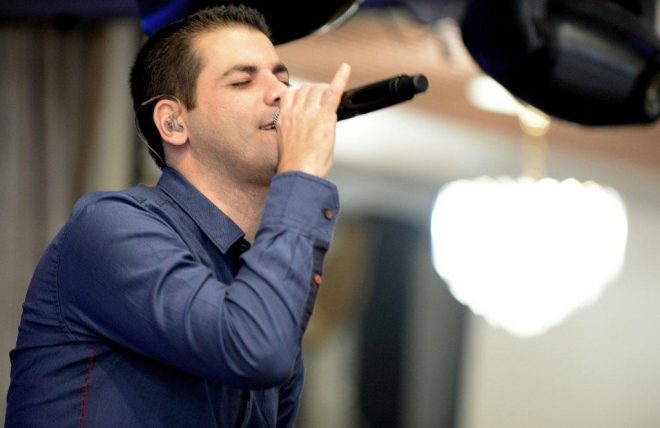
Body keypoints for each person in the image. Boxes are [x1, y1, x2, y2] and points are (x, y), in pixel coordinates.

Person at [6, 5, 351, 427]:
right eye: (243, 81)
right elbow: (256, 350)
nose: (282, 94)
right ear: (173, 123)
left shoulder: (257, 276)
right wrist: (301, 173)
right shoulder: (111, 227)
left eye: (283, 78)